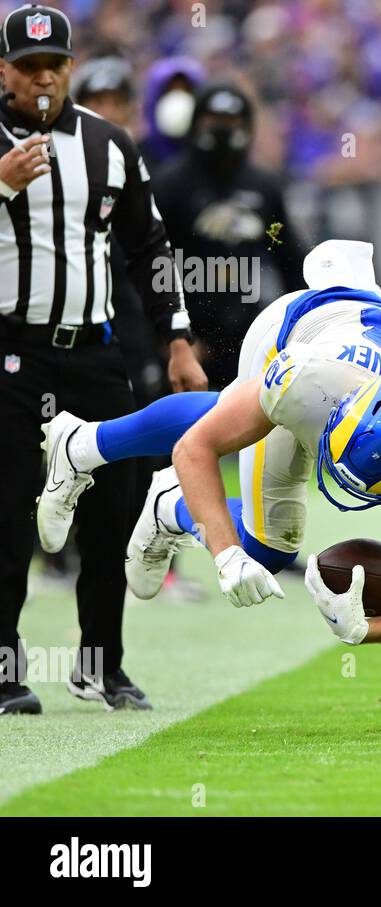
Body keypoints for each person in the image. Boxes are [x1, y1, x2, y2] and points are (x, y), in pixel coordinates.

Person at [38, 239, 381, 651]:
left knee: (262, 526)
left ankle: (131, 477)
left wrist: (365, 629)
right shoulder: (313, 381)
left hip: (358, 343)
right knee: (260, 524)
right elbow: (196, 447)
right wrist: (226, 555)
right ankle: (115, 465)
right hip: (301, 328)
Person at [0, 5, 206, 717]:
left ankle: (100, 664)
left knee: (113, 509)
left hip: (95, 355)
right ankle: (3, 669)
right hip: (12, 352)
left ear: (71, 66)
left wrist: (177, 339)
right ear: (4, 71)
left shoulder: (109, 145)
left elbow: (150, 248)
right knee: (8, 512)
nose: (43, 78)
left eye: (53, 64)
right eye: (27, 67)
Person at [152, 81, 306, 390]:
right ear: (196, 123)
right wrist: (170, 339)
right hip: (186, 338)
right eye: (213, 122)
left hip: (246, 336)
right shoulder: (169, 184)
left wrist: (300, 328)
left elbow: (291, 261)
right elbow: (150, 265)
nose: (223, 131)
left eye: (232, 122)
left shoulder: (263, 186)